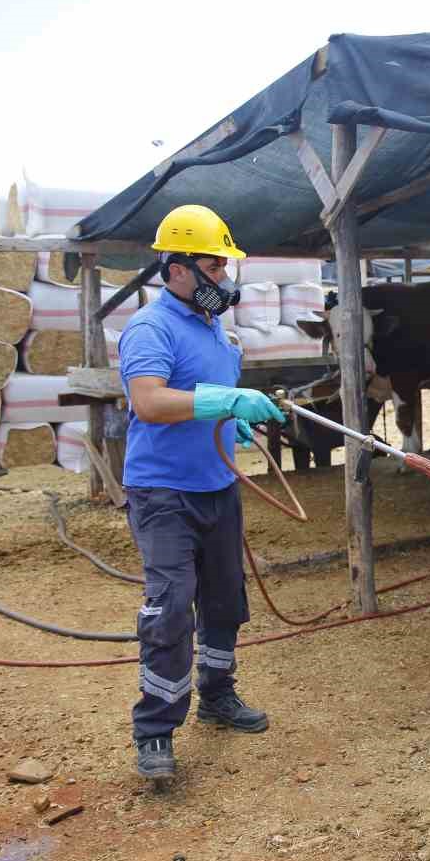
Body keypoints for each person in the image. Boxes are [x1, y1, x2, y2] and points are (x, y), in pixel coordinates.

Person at [117, 204, 287, 781]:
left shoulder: (215, 330)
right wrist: (224, 402)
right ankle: (156, 731)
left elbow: (207, 396)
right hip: (163, 493)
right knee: (169, 608)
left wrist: (228, 419)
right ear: (179, 268)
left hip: (217, 485)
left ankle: (217, 695)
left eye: (224, 267)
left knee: (223, 599)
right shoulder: (150, 328)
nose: (224, 279)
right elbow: (148, 402)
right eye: (214, 267)